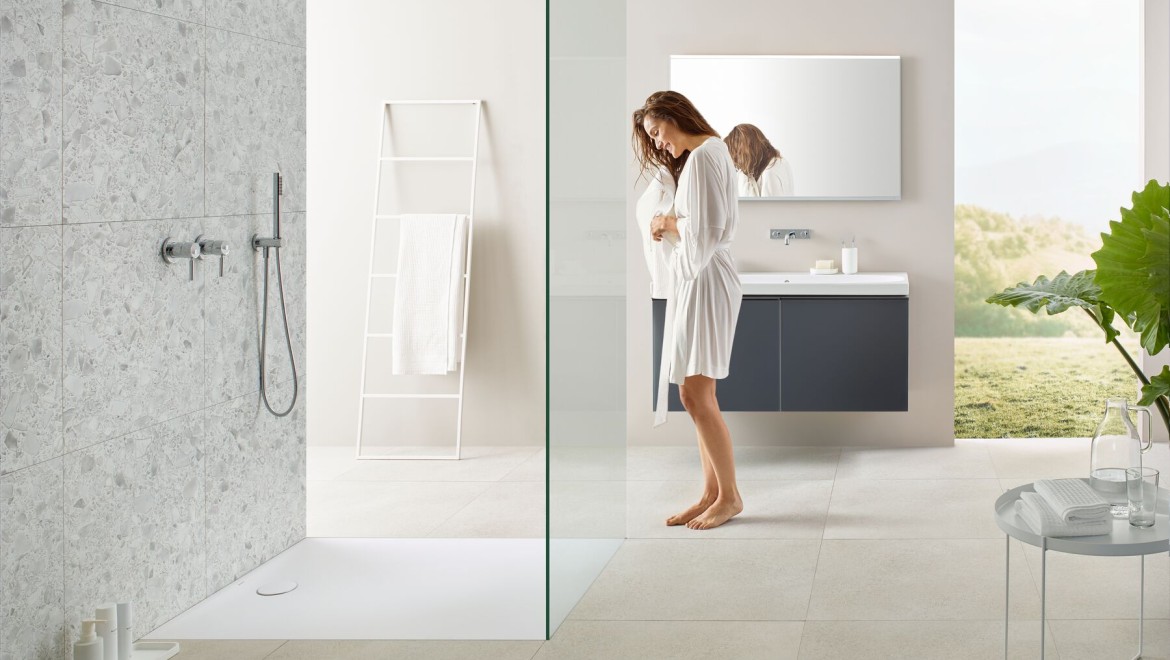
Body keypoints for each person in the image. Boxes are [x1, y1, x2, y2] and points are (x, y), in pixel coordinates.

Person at [632, 91, 744, 530]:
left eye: (658, 132)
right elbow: (705, 226)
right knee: (700, 393)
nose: (658, 144)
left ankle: (729, 496)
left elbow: (703, 236)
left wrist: (663, 223)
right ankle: (711, 493)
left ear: (676, 118)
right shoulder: (711, 153)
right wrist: (675, 223)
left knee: (694, 394)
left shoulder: (702, 158)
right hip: (707, 279)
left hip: (706, 279)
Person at [724, 123, 794, 197]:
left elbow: (764, 207)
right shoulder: (781, 162)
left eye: (736, 156)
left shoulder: (769, 174)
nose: (737, 163)